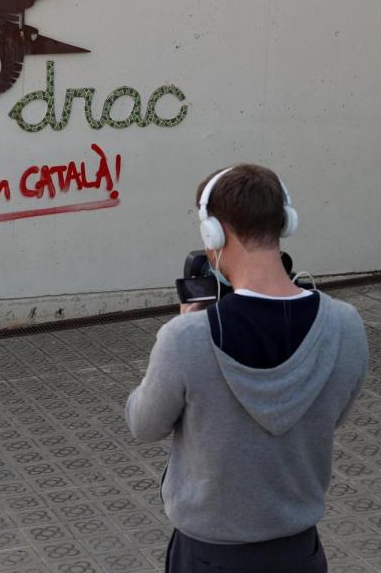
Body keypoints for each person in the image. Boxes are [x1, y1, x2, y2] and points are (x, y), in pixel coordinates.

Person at [125, 164, 368, 572]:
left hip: (209, 556)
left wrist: (185, 326)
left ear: (213, 234)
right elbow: (334, 414)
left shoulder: (187, 338)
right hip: (299, 553)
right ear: (284, 222)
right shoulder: (345, 325)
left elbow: (143, 424)